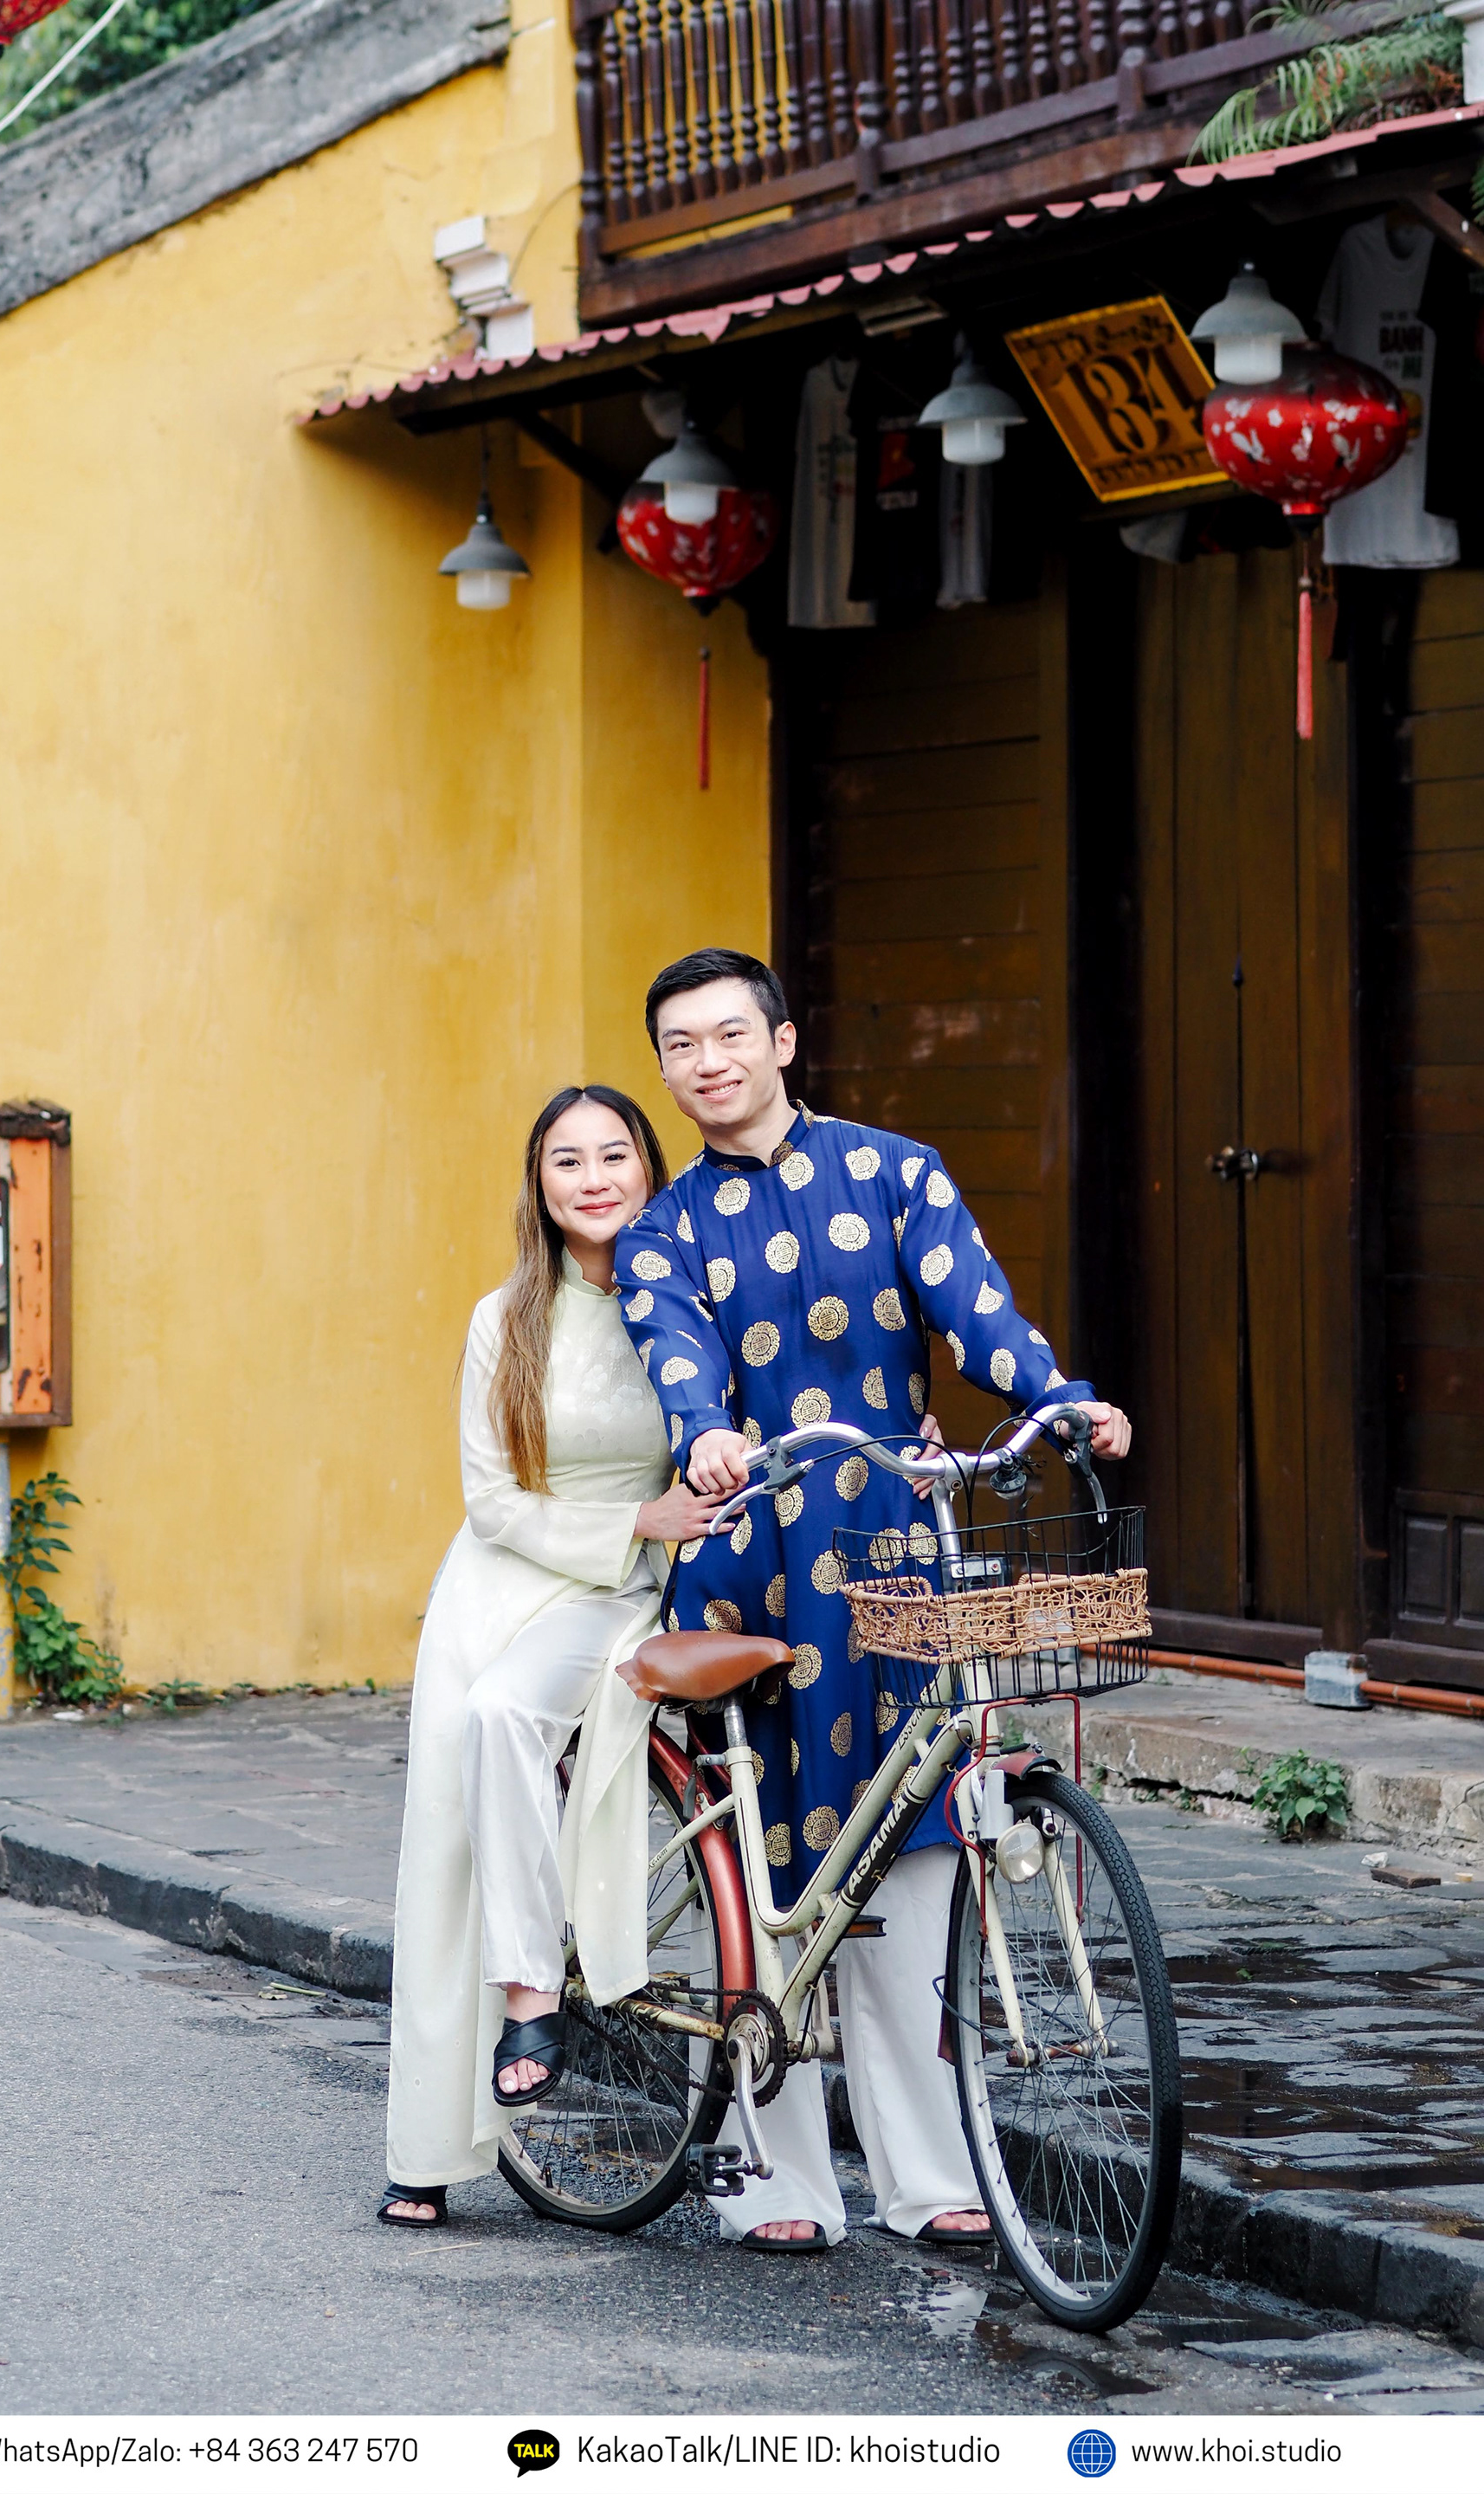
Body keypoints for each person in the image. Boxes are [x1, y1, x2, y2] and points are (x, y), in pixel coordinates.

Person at [614, 947, 1132, 2252]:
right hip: (754, 1552)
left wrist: (1056, 1402)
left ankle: (927, 2176)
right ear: (667, 1068)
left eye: (731, 1033)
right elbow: (678, 1355)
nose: (708, 1061)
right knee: (775, 1861)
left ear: (785, 1043)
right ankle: (774, 2175)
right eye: (682, 1045)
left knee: (911, 1850)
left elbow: (978, 1316)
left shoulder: (897, 1172)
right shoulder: (662, 1231)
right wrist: (705, 1436)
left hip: (896, 1543)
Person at [381, 1084, 720, 2227]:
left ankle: (532, 1989)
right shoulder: (507, 1317)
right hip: (502, 1583)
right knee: (445, 1845)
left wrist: (659, 1530)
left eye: (613, 1154)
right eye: (565, 1160)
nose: (592, 1178)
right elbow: (491, 1503)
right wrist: (637, 1520)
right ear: (540, 1186)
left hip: (617, 1593)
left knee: (507, 1719)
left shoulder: (696, 1298)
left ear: (649, 1166)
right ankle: (434, 2136)